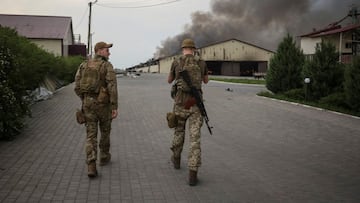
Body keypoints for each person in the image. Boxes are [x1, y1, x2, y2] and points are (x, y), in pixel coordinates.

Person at [167, 38, 209, 186]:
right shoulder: (201, 62)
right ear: (194, 49)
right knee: (195, 139)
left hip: (180, 104)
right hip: (196, 105)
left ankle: (176, 160)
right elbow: (206, 81)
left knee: (179, 132)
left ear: (183, 49)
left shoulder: (176, 62)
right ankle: (193, 173)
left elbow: (169, 80)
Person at [74, 41, 118, 178]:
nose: (109, 52)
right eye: (106, 50)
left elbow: (76, 86)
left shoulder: (83, 65)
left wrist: (85, 99)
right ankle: (104, 157)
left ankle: (91, 164)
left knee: (90, 135)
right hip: (103, 105)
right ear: (99, 50)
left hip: (88, 105)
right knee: (105, 131)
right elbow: (112, 87)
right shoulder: (107, 66)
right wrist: (114, 106)